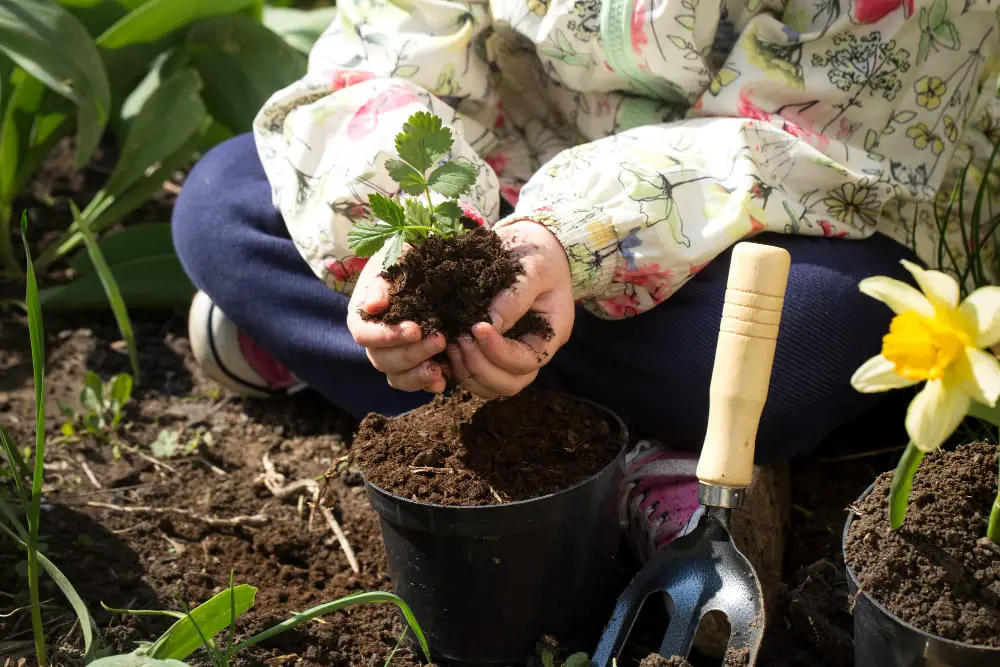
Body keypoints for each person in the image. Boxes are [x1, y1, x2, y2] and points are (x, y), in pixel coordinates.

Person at [172, 0, 1000, 652]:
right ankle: (633, 433)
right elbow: (389, 43)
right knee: (221, 205)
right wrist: (426, 237)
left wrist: (573, 240)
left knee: (804, 332)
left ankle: (368, 361)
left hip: (769, 200)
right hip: (505, 175)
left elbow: (820, 135)